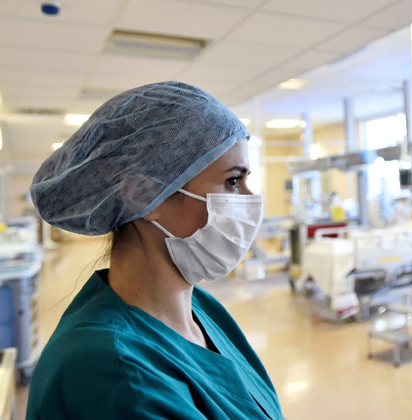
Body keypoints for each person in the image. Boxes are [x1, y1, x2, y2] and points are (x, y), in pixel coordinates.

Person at [26, 82, 283, 419]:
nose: (251, 200)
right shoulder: (111, 371)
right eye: (233, 181)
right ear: (145, 196)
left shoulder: (200, 309)